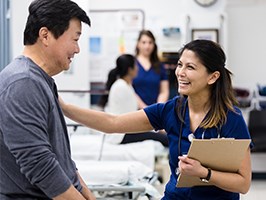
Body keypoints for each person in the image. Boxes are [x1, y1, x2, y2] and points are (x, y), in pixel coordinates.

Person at [59, 39, 253, 199]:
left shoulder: (231, 118)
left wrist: (204, 173)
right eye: (179, 65)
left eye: (190, 67)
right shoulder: (171, 110)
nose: (180, 73)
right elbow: (113, 123)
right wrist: (64, 107)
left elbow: (243, 184)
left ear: (212, 77)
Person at [0, 0, 95, 199]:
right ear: (45, 35)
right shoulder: (22, 82)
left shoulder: (41, 80)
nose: (77, 49)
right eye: (75, 39)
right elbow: (42, 167)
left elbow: (64, 163)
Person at [133, 30, 170, 109]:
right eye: (144, 42)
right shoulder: (132, 64)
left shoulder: (160, 66)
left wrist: (156, 109)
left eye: (150, 42)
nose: (147, 46)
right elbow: (130, 90)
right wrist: (144, 108)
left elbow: (164, 91)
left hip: (155, 113)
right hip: (135, 111)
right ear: (138, 44)